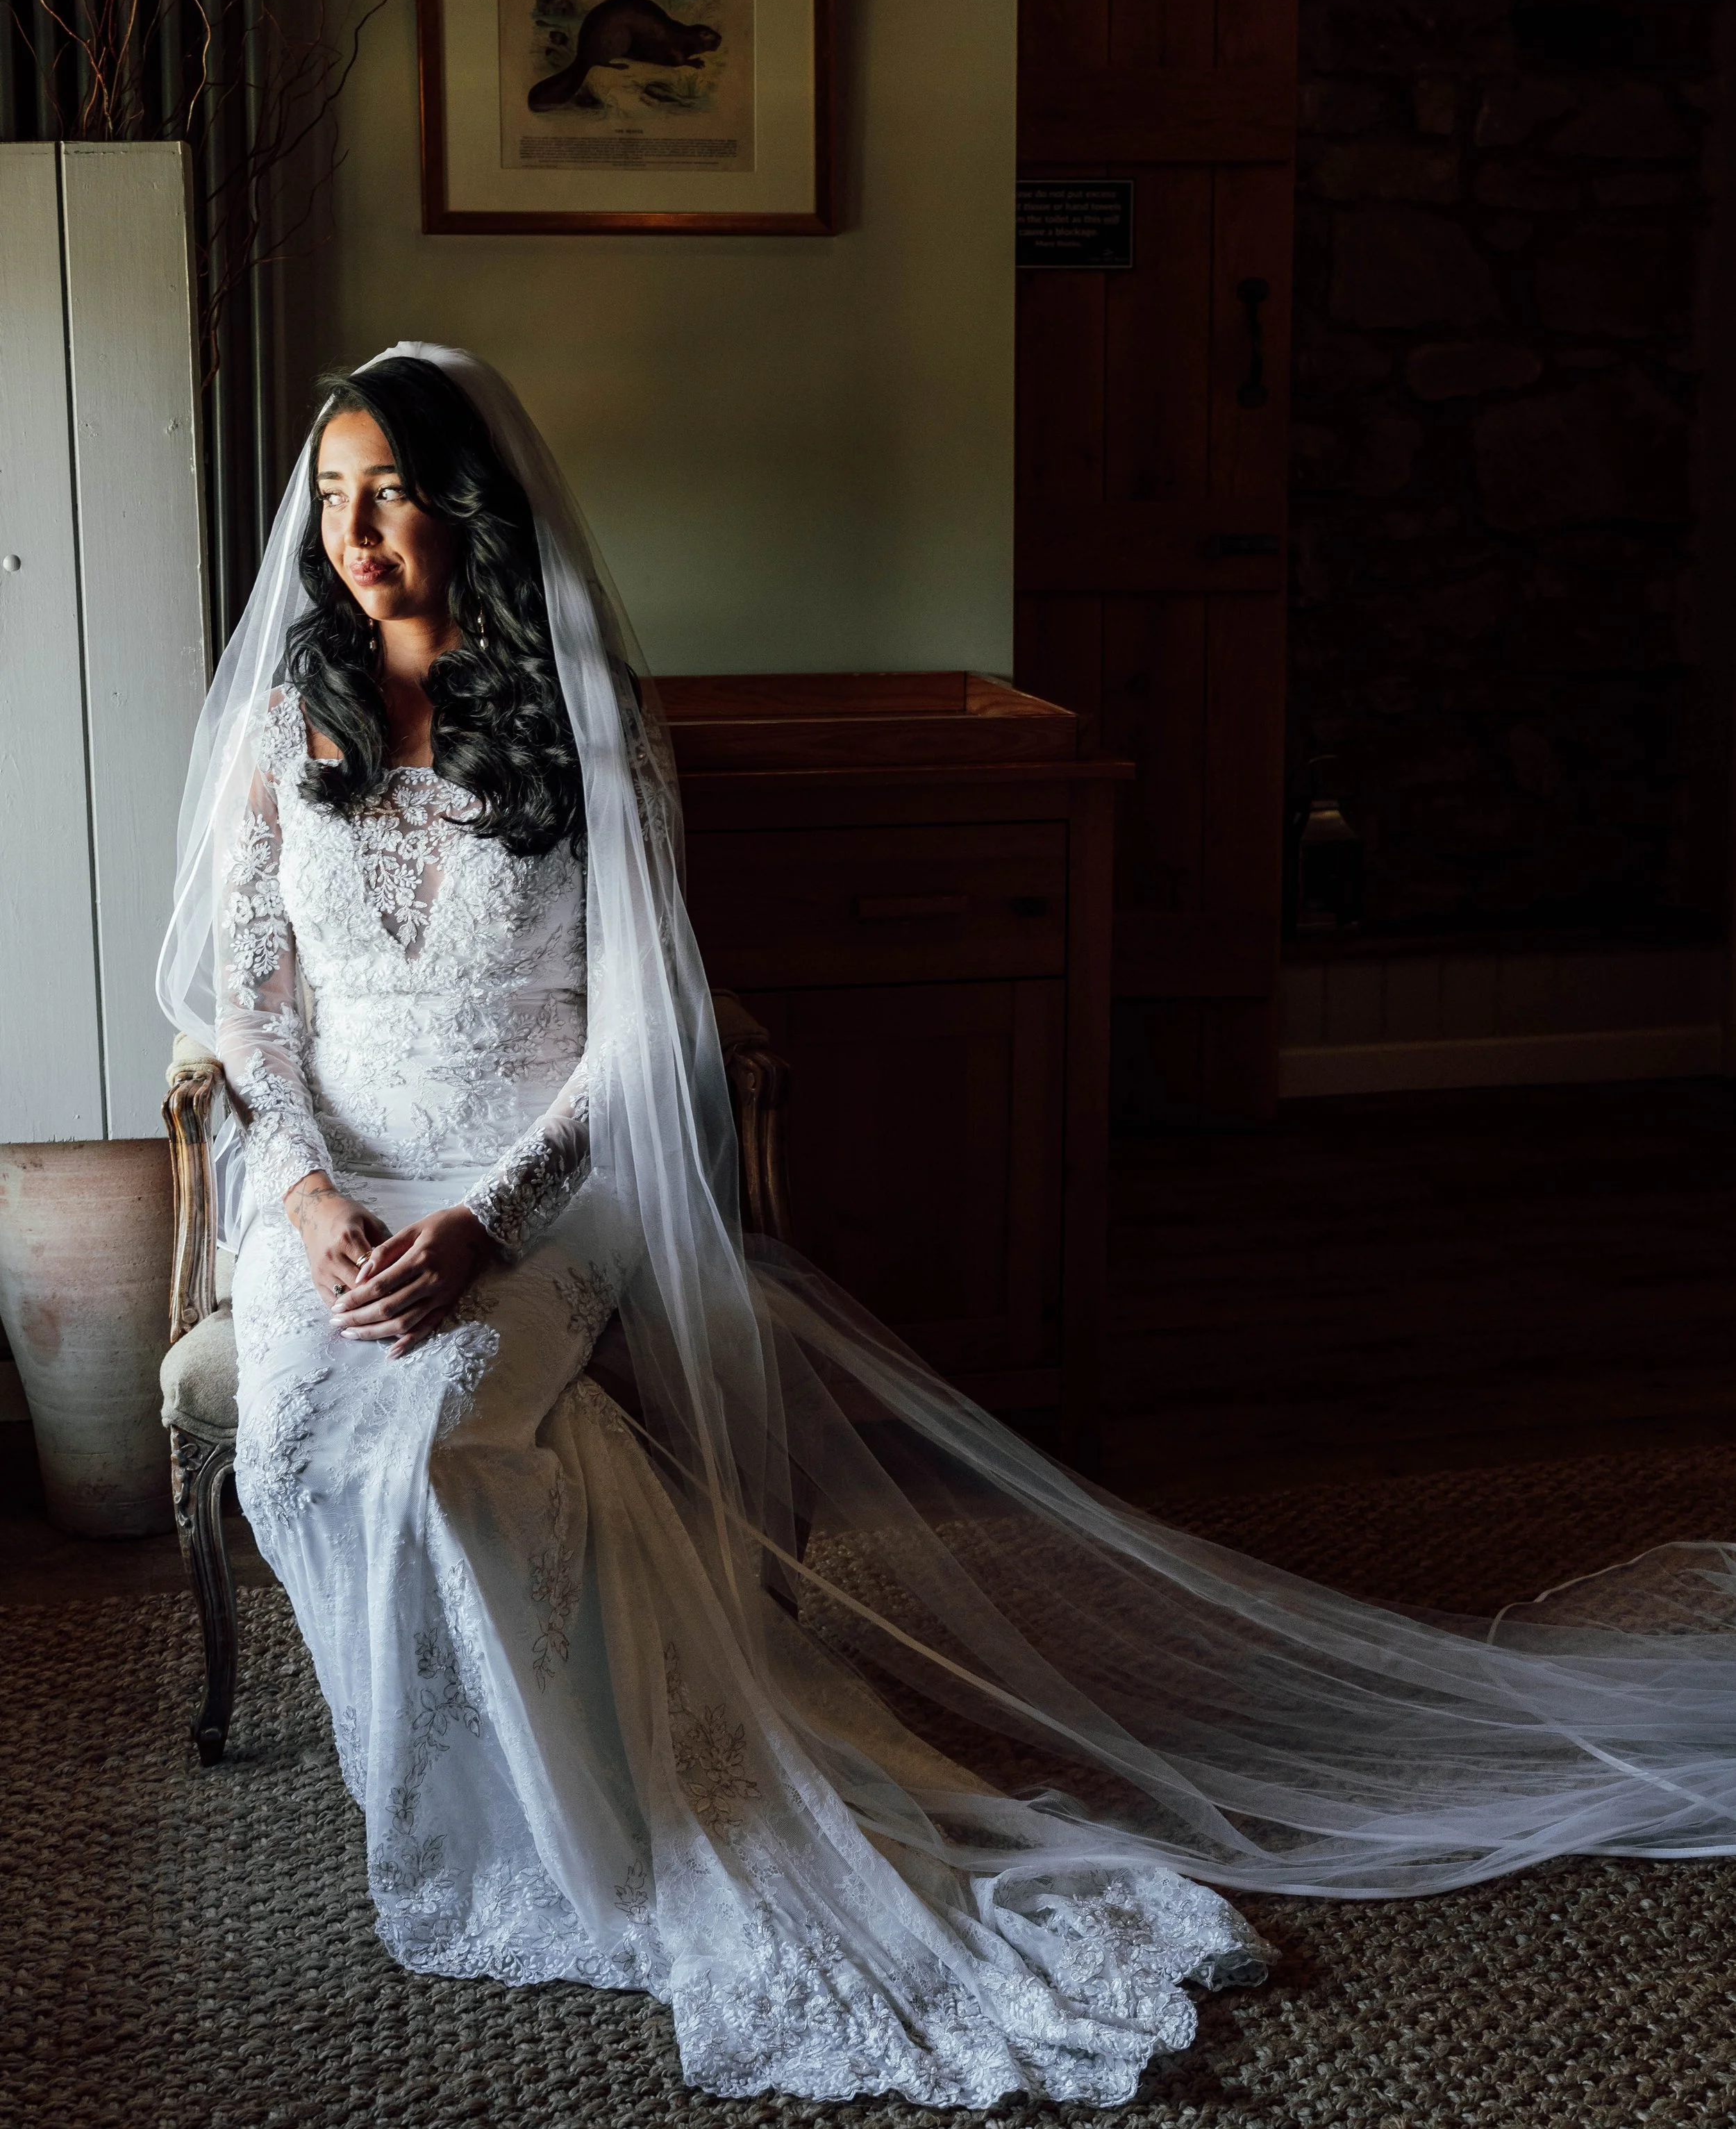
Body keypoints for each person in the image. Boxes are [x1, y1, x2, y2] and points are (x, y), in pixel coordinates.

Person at [159, 347, 1736, 2110]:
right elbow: (252, 1026)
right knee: (302, 1439)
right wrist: (305, 1206)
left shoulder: (590, 724)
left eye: (390, 492)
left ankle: (583, 1806)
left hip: (539, 1189)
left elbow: (645, 1036)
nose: (355, 532)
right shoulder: (277, 735)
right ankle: (443, 1776)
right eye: (330, 496)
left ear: (464, 510)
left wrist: (479, 1225)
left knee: (447, 1435)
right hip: (321, 1191)